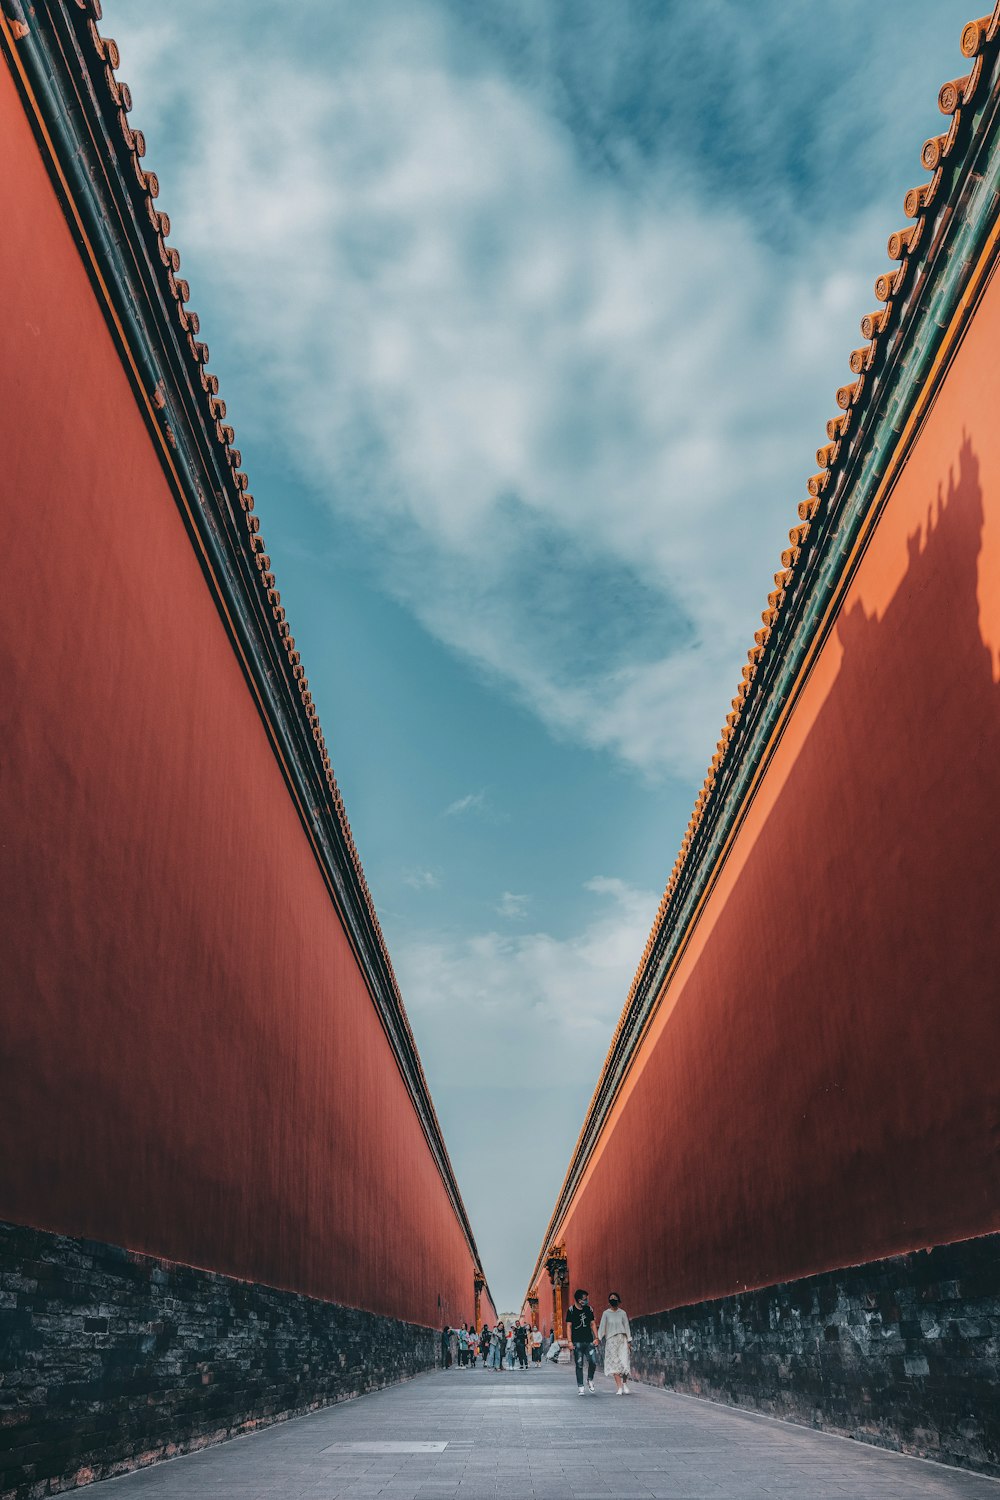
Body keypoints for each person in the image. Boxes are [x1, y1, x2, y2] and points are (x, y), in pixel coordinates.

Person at [598, 1292, 633, 1394]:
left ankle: (625, 1383)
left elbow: (627, 1327)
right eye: (611, 1298)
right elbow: (602, 1327)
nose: (613, 1299)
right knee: (614, 1363)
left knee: (624, 1361)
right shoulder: (606, 1313)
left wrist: (629, 1341)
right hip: (611, 1341)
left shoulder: (623, 1313)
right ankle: (619, 1388)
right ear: (609, 1301)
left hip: (622, 1339)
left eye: (615, 1298)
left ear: (618, 1300)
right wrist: (598, 1338)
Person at [566, 1287, 598, 1394]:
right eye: (585, 1298)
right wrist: (569, 1341)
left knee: (593, 1362)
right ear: (579, 1300)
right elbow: (569, 1326)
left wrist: (596, 1338)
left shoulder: (589, 1309)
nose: (586, 1300)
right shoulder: (571, 1310)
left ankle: (590, 1379)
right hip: (577, 1342)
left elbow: (592, 1324)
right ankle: (580, 1385)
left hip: (589, 1341)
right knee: (579, 1364)